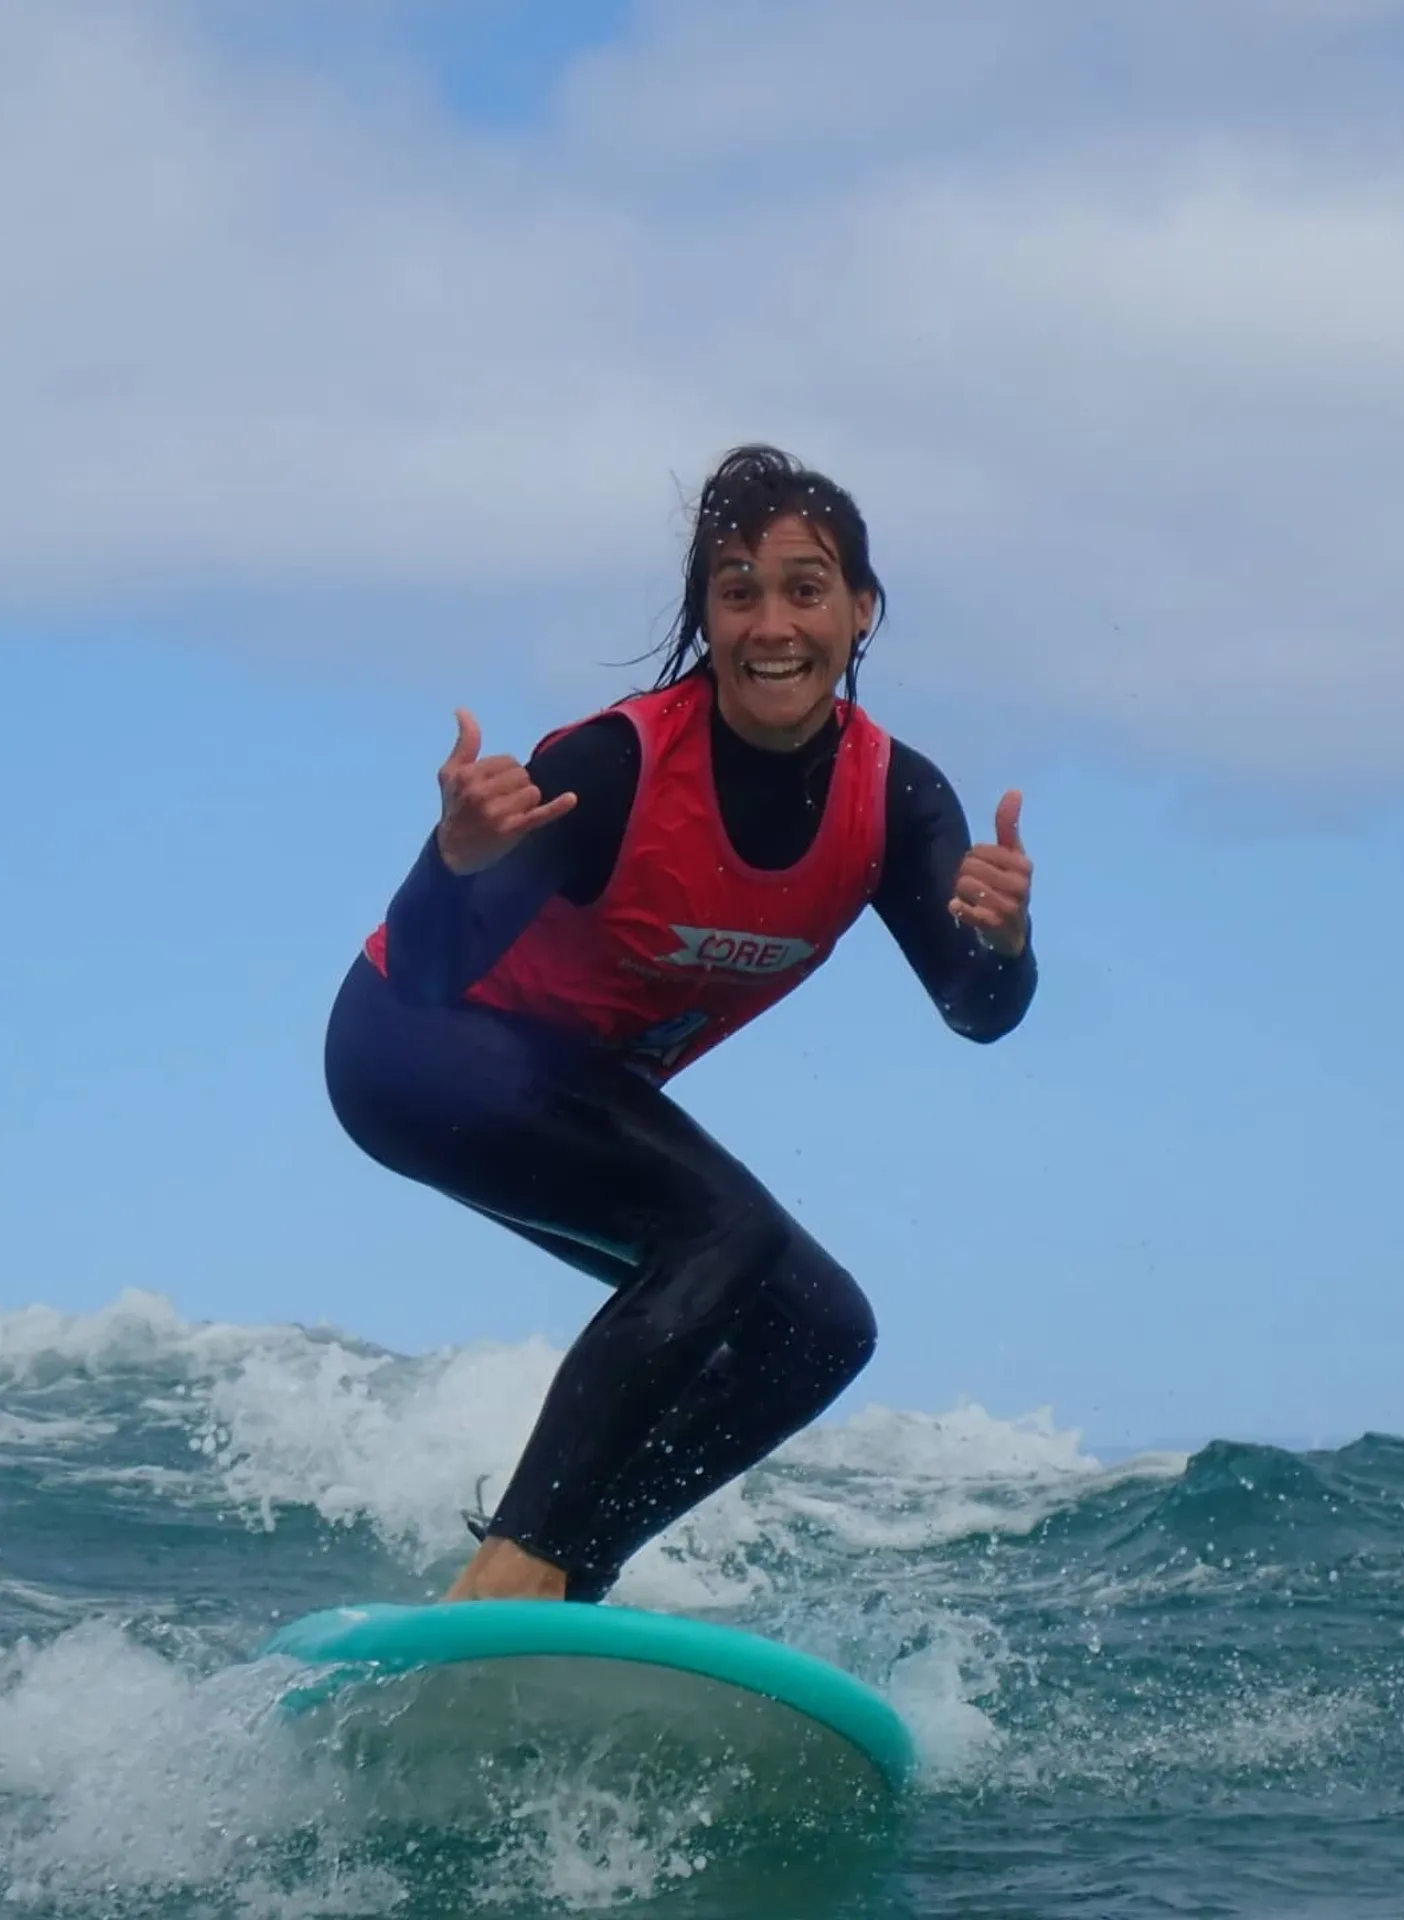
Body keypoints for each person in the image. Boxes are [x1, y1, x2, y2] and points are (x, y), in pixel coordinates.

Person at [323, 444, 1037, 1605]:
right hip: (412, 1055)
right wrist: (450, 863)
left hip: (566, 1086)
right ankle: (513, 1570)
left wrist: (1005, 949)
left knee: (818, 1328)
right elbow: (425, 973)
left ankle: (572, 1572)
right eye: (738, 589)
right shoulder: (612, 767)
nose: (772, 624)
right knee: (722, 1229)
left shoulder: (894, 802)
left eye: (805, 589)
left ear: (861, 611)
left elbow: (976, 1015)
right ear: (706, 614)